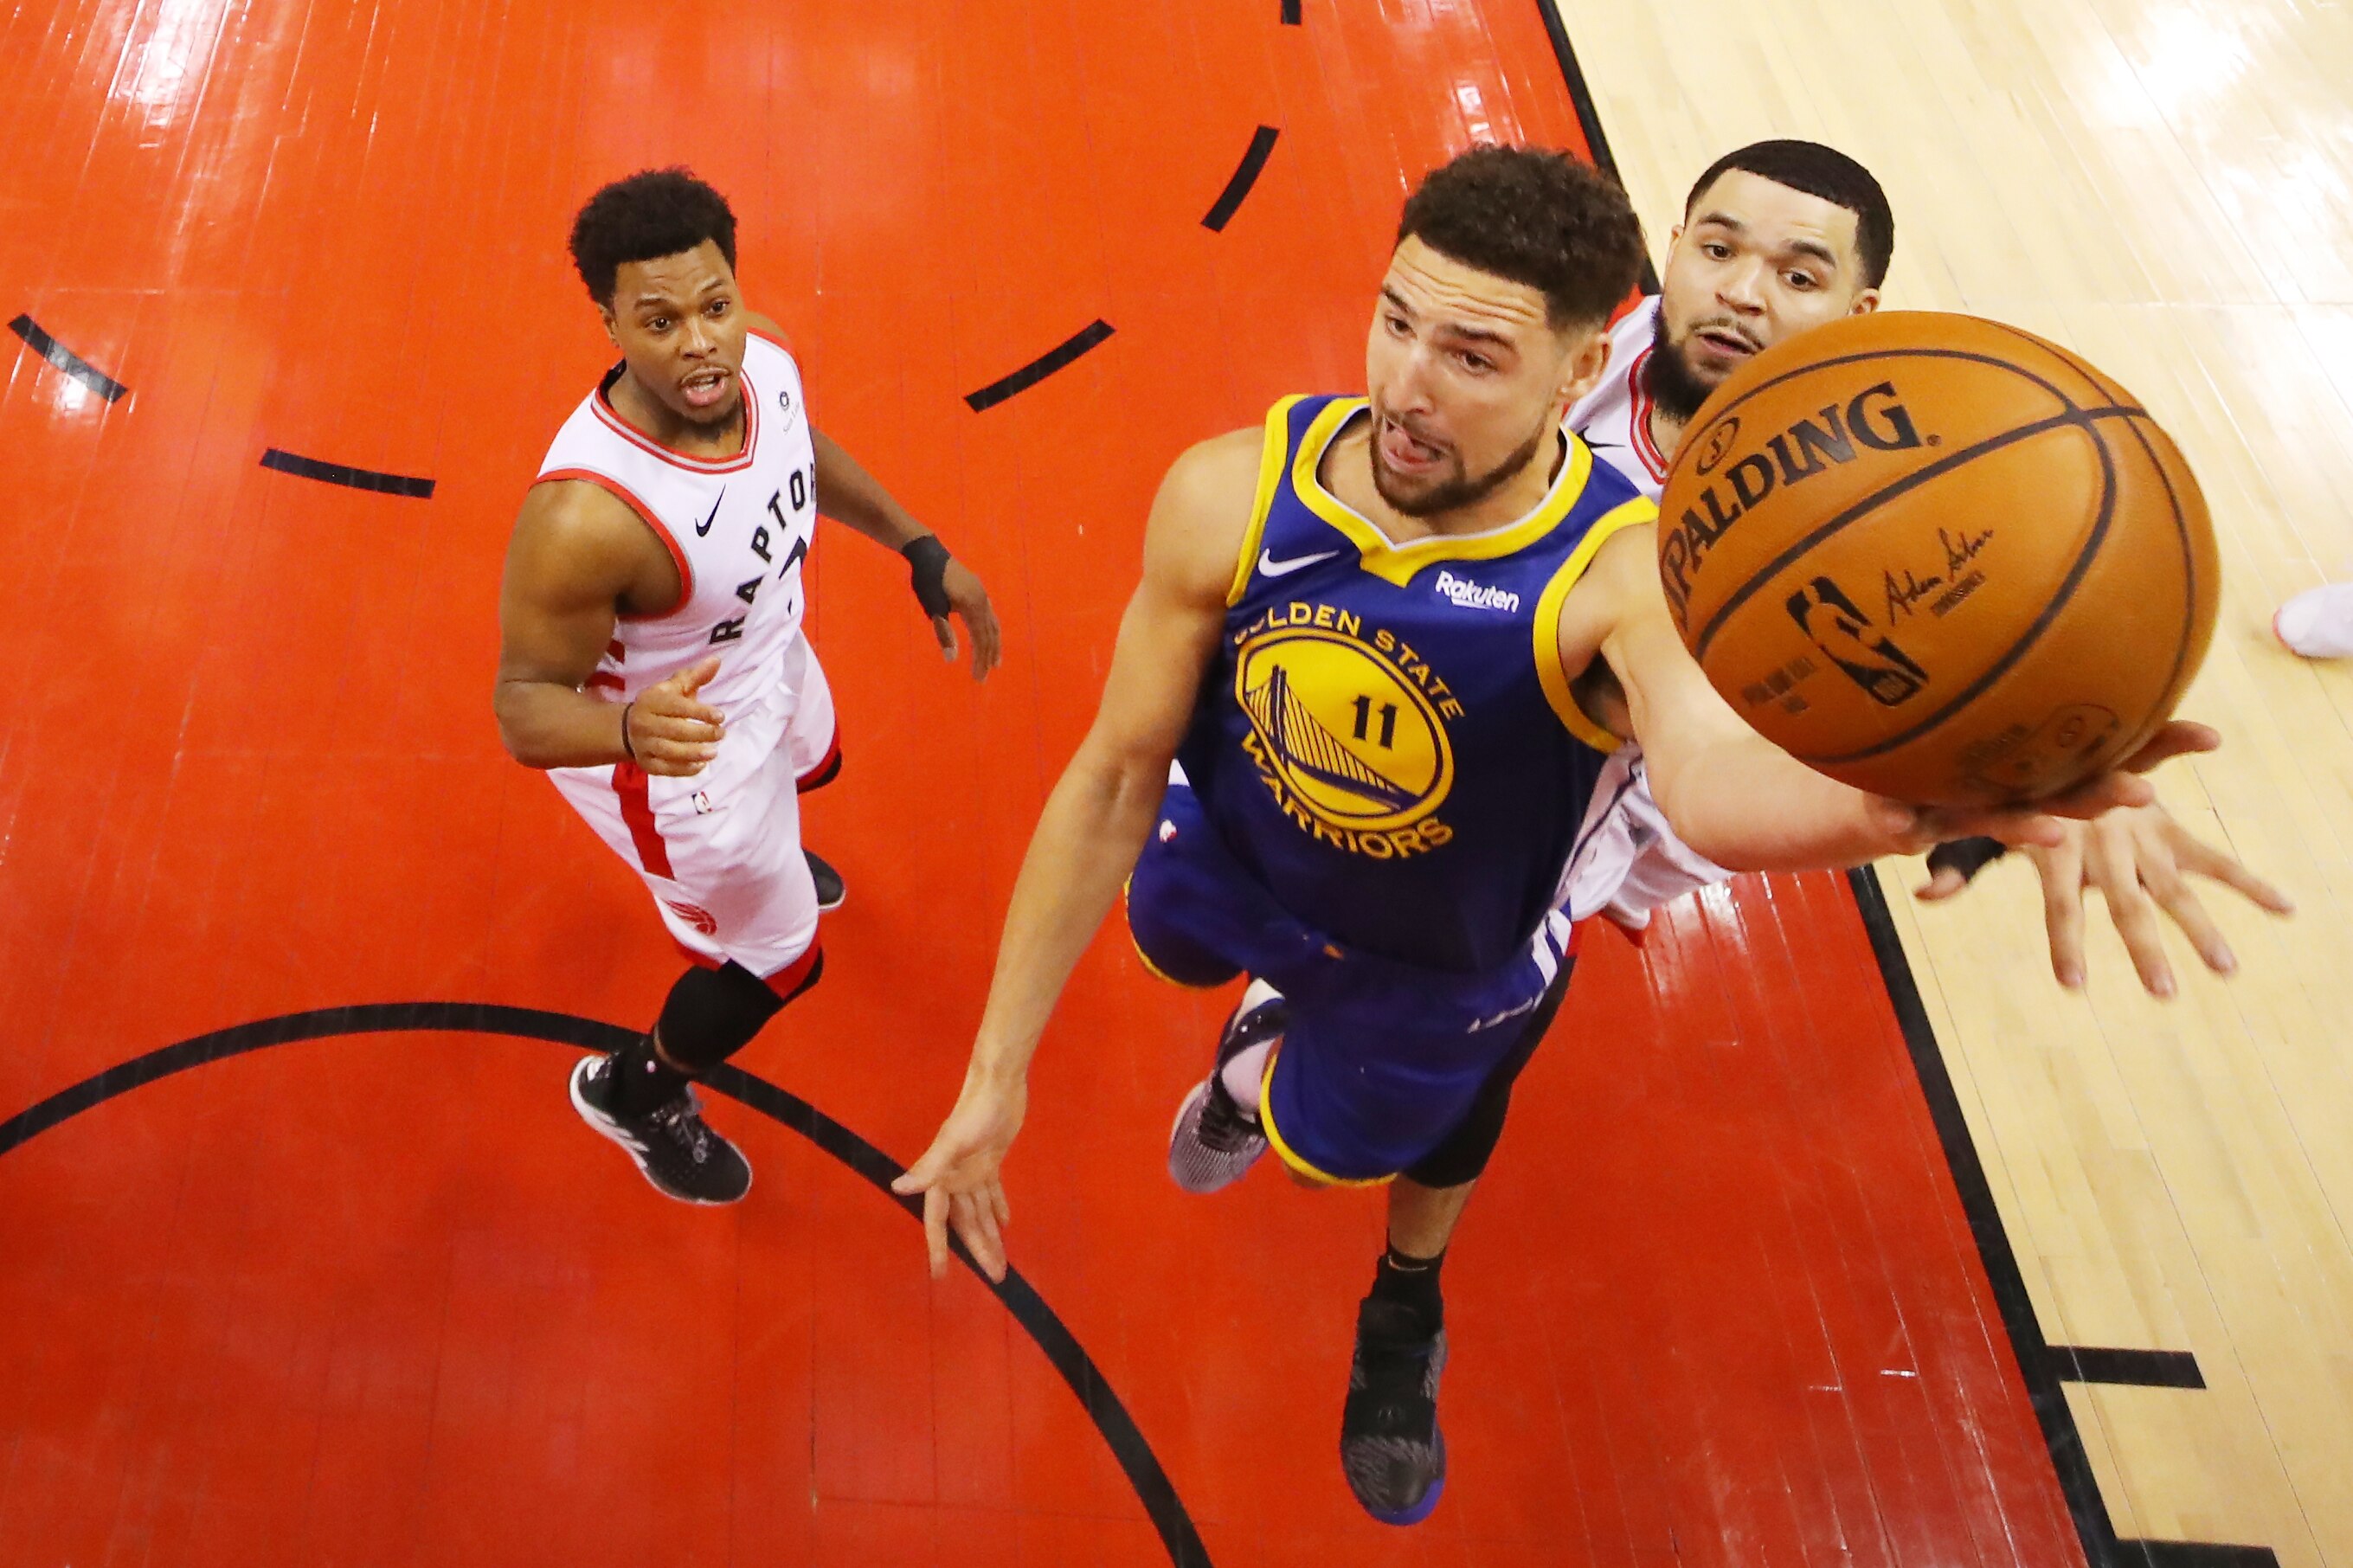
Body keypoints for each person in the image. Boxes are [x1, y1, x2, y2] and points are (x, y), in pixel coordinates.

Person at [888, 145, 2230, 1525]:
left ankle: (1367, 1256)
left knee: (1354, 1145)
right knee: (1166, 945)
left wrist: (1915, 808)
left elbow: (1703, 780)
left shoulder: (1626, 571)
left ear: (1577, 361)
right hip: (1234, 845)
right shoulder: (1236, 487)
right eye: (1395, 322)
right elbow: (1112, 776)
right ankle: (1252, 1019)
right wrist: (996, 1078)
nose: (1406, 384)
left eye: (1471, 356)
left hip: (1452, 945)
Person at [1569, 138, 2288, 993]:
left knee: (1617, 873)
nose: (1740, 294)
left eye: (1799, 278)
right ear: (1677, 244)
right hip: (1537, 724)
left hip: (1695, 783)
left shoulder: (1910, 484)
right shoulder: (1601, 357)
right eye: (1717, 251)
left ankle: (1616, 891)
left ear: (1858, 313)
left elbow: (2001, 627)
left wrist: (2041, 767)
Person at [493, 168, 1000, 1205]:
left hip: (769, 661)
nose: (700, 344)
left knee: (822, 758)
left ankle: (772, 851)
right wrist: (632, 730)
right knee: (782, 960)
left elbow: (796, 449)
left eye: (714, 306)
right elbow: (520, 706)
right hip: (676, 762)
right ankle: (633, 1094)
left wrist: (917, 543)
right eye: (661, 320)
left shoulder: (758, 358)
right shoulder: (588, 517)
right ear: (609, 322)